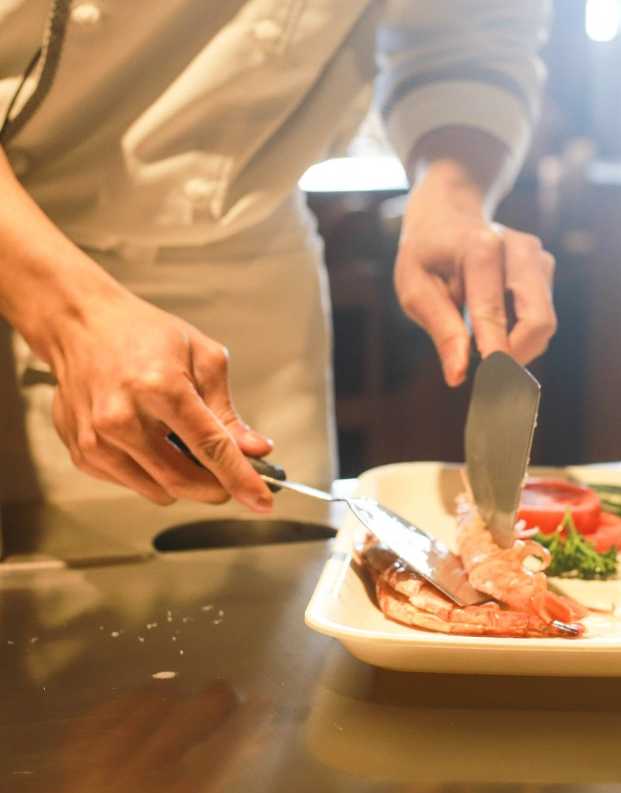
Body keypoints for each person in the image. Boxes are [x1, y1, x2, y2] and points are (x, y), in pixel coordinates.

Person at [0, 0, 558, 512]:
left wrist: (454, 194)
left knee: (276, 593)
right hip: (19, 242)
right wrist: (67, 314)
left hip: (252, 279)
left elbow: (471, 38)